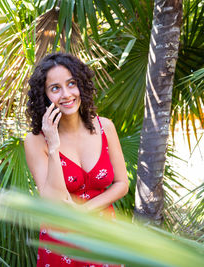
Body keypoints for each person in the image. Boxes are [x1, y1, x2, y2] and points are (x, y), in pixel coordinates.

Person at [25, 53, 128, 267]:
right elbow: (52, 201)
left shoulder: (105, 127)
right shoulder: (36, 141)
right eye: (55, 88)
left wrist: (84, 210)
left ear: (81, 85)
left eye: (71, 84)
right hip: (62, 241)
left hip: (105, 237)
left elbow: (122, 184)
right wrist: (53, 147)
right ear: (44, 95)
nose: (66, 94)